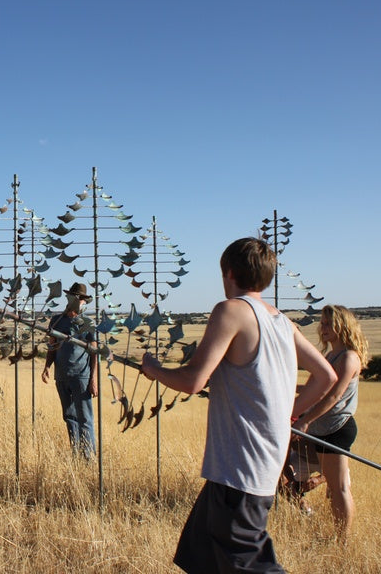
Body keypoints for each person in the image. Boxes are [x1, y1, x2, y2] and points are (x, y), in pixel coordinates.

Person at [140, 237, 337, 573]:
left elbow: (192, 380)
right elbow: (326, 375)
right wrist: (289, 414)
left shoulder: (230, 310)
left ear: (228, 272)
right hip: (245, 465)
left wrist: (154, 370)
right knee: (200, 554)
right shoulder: (281, 322)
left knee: (247, 564)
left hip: (240, 468)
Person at [291, 304, 368, 540]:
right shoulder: (330, 355)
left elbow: (332, 396)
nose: (322, 328)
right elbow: (315, 389)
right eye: (322, 323)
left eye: (327, 324)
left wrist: (305, 421)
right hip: (319, 428)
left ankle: (341, 540)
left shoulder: (349, 358)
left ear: (341, 326)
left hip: (336, 428)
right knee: (330, 485)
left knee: (339, 488)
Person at [41, 282, 99, 460]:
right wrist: (47, 367)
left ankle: (89, 458)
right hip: (62, 376)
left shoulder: (88, 323)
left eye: (82, 299)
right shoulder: (57, 320)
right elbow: (52, 346)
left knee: (85, 419)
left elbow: (95, 352)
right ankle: (76, 456)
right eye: (77, 298)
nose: (79, 302)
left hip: (81, 376)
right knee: (69, 416)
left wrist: (93, 379)